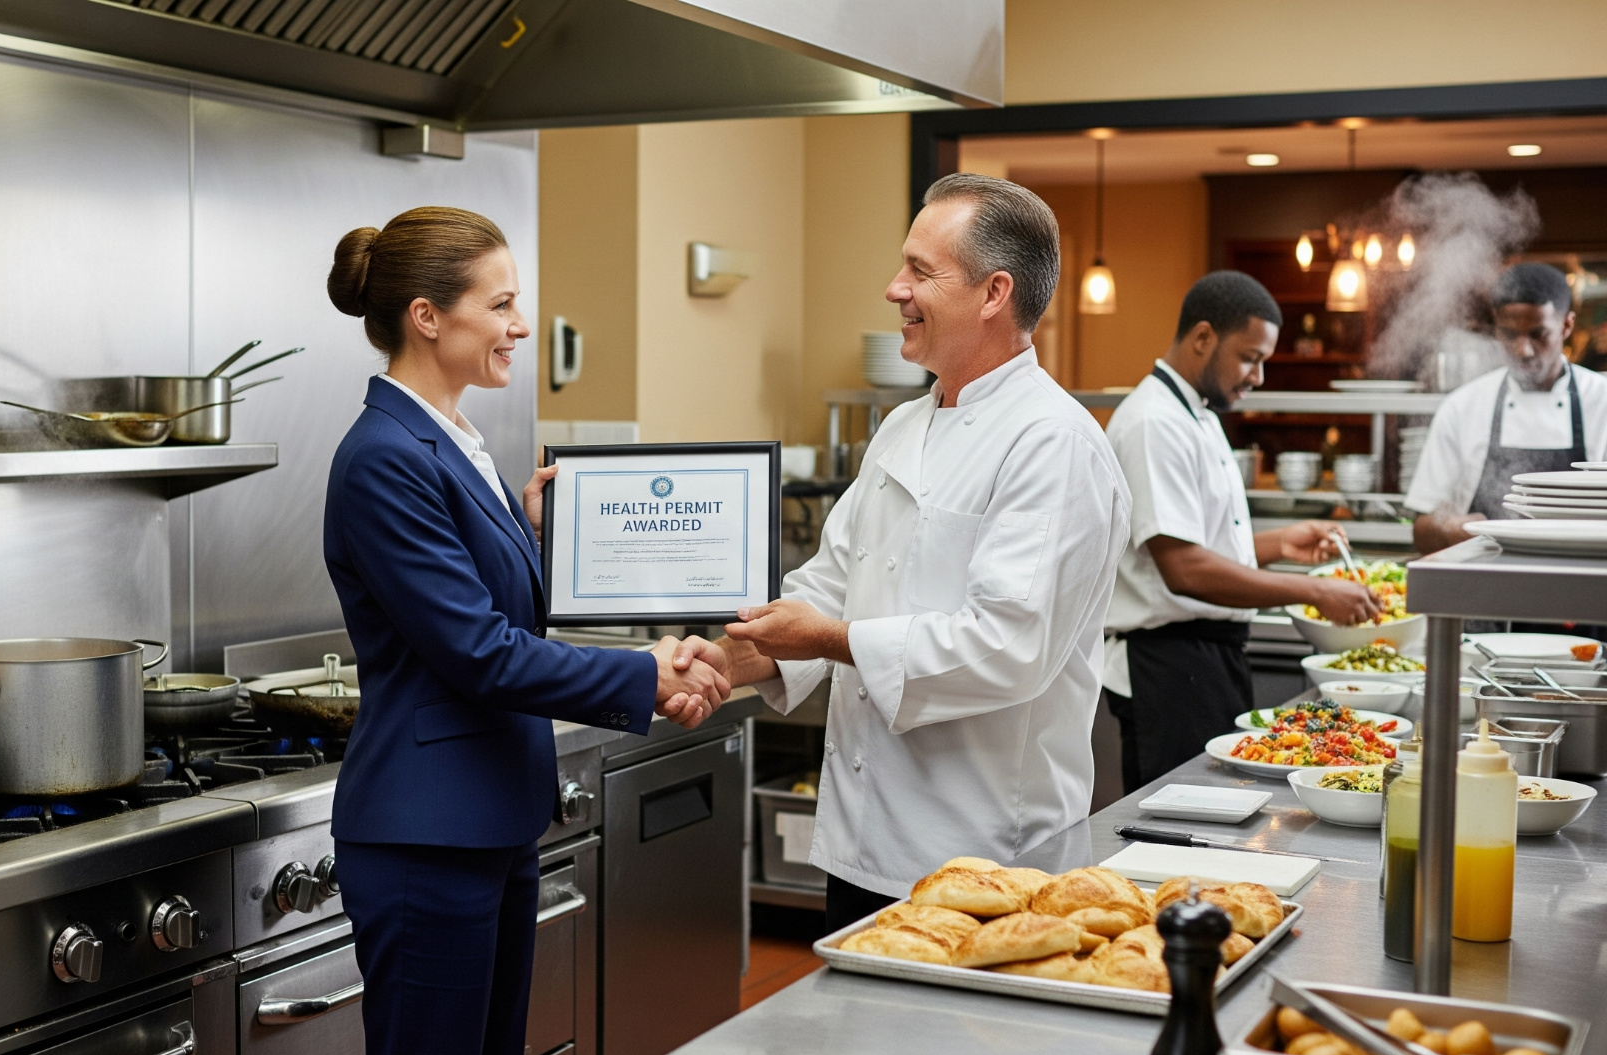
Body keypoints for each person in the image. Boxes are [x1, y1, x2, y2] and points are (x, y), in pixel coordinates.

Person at [320, 206, 730, 1055]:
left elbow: (488, 610)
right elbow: (480, 651)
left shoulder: (455, 441)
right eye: (500, 304)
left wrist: (537, 538)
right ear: (428, 316)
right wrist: (644, 673)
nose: (520, 325)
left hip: (486, 822)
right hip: (426, 836)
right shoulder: (386, 455)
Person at [682, 174, 1132, 932]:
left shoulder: (1053, 443)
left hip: (990, 860)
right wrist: (722, 664)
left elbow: (1006, 645)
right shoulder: (901, 427)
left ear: (994, 293)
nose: (895, 289)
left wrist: (828, 639)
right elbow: (829, 587)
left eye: (921, 271)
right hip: (863, 841)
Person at [1100, 271, 1377, 793]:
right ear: (1203, 337)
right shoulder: (1153, 421)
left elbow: (1200, 543)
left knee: (1222, 814)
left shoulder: (1198, 414)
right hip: (1169, 664)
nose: (1259, 376)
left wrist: (1282, 543)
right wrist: (1314, 591)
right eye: (1250, 358)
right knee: (1183, 823)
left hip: (1205, 658)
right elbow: (1183, 568)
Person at [1409, 262, 1607, 553]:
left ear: (1567, 325)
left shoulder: (1602, 401)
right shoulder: (1462, 408)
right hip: (1485, 576)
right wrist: (1447, 529)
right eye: (1510, 334)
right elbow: (1422, 529)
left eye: (1538, 334)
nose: (1522, 350)